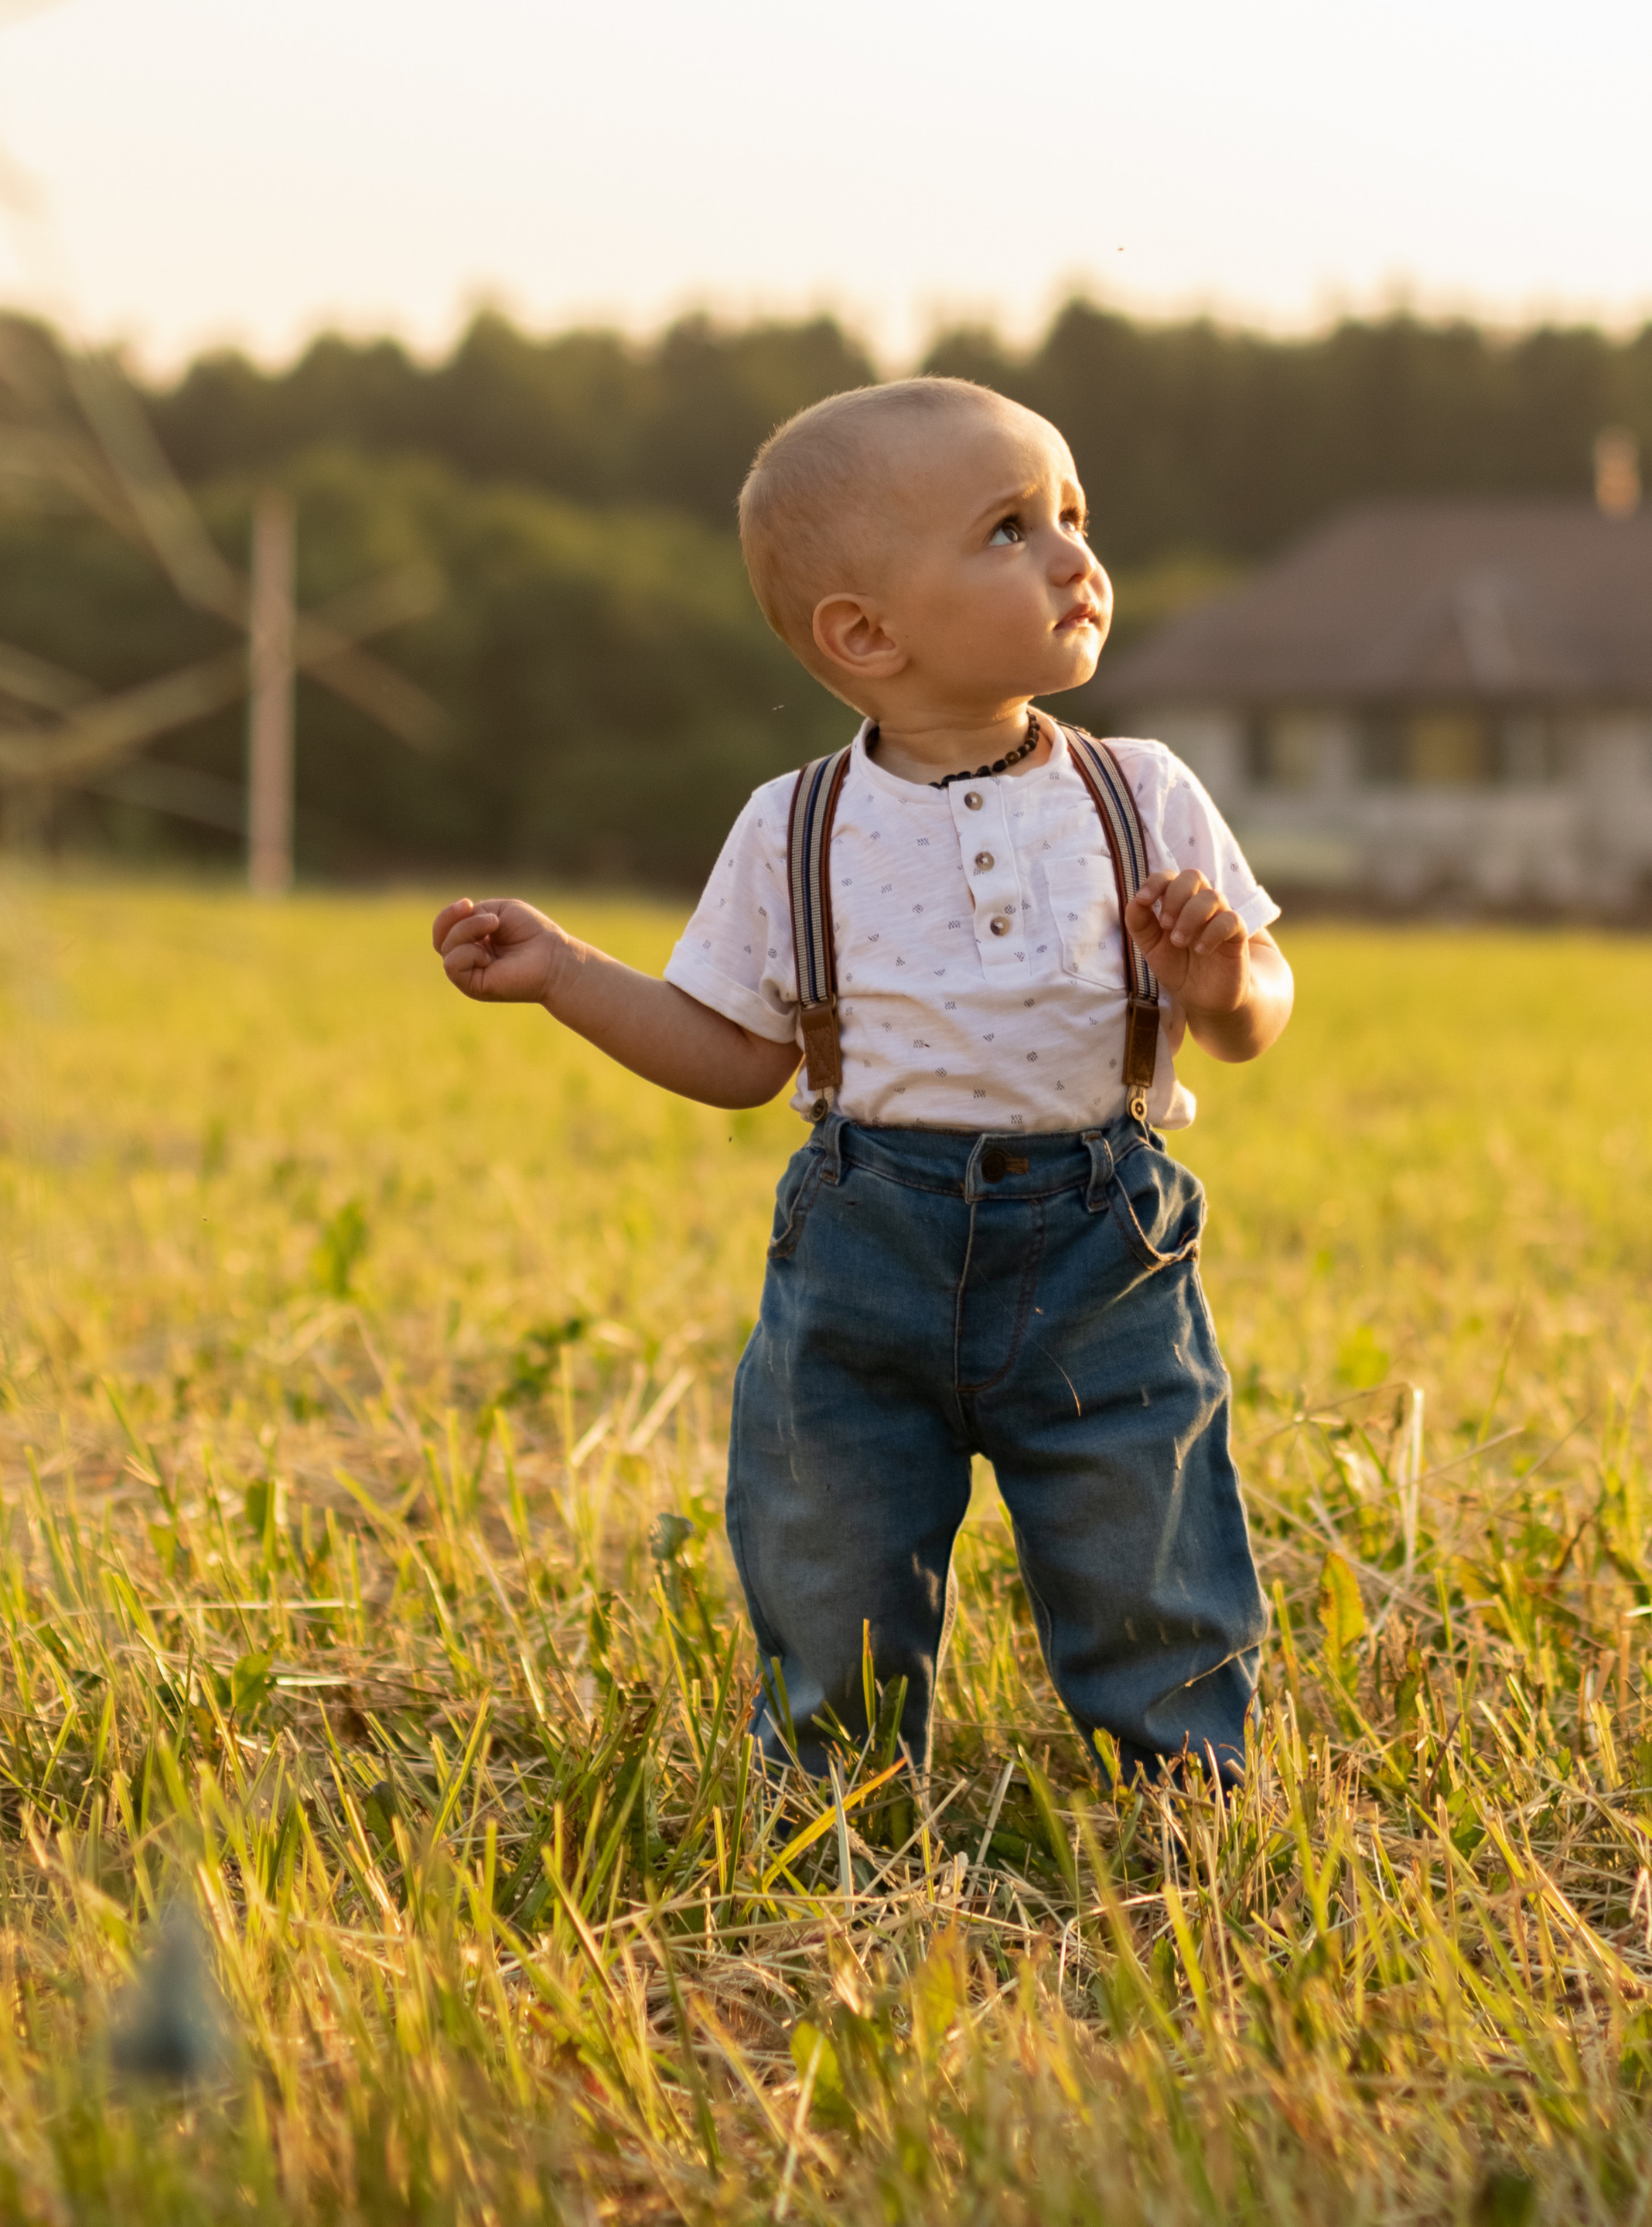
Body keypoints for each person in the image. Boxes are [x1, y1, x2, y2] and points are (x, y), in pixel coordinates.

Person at [432, 377, 1293, 1785]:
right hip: (865, 1240)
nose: (1077, 557)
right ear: (865, 632)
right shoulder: (797, 826)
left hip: (1102, 1234)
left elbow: (1260, 1015)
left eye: (1074, 516)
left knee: (1149, 1513)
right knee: (828, 1528)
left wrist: (1229, 985)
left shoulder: (1143, 793)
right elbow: (735, 1057)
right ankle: (835, 1783)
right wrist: (566, 973)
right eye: (1012, 529)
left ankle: (1182, 1781)